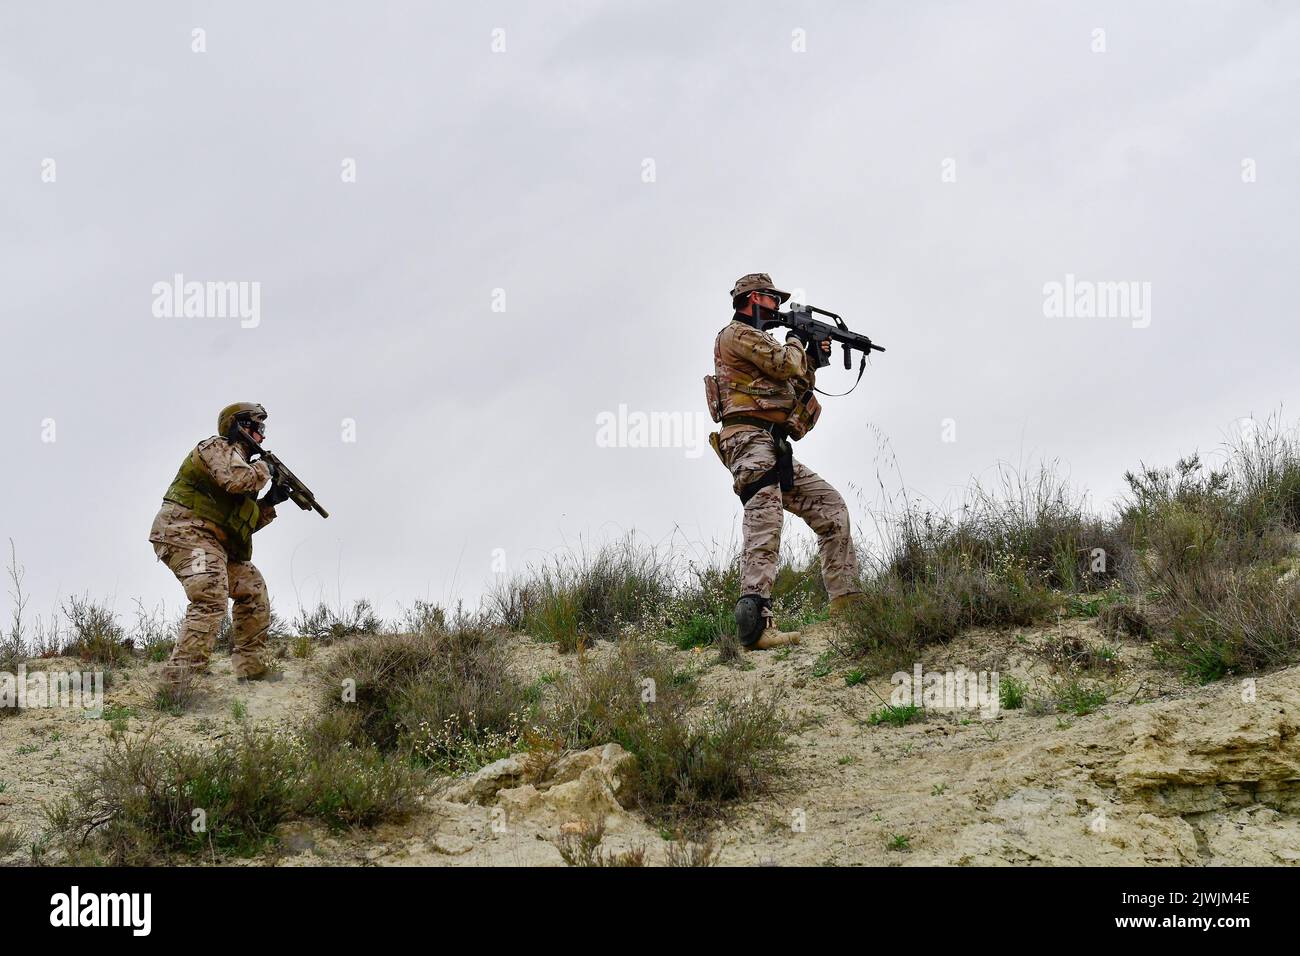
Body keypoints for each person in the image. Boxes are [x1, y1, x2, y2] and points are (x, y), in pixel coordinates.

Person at [708, 273, 864, 650]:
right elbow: (782, 363)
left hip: (773, 445)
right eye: (772, 300)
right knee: (765, 523)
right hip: (748, 440)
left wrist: (813, 358)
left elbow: (794, 382)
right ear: (754, 298)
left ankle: (848, 604)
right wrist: (797, 339)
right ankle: (756, 627)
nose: (777, 307)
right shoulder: (735, 335)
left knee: (831, 507)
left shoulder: (763, 343)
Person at [149, 403, 289, 685]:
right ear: (240, 427)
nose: (262, 437)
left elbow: (242, 526)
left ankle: (252, 669)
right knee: (211, 595)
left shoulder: (245, 468)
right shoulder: (218, 447)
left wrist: (269, 502)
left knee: (252, 588)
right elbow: (235, 480)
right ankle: (179, 683)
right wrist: (265, 468)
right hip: (183, 534)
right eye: (258, 428)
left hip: (210, 543)